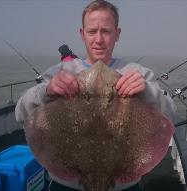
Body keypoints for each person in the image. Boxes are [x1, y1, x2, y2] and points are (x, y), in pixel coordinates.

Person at [15, 0, 176, 190]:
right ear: (82, 34)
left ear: (117, 34)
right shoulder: (60, 72)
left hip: (123, 184)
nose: (98, 39)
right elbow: (20, 114)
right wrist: (46, 91)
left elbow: (171, 114)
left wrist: (148, 92)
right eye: (92, 31)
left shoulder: (137, 73)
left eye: (106, 31)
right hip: (67, 184)